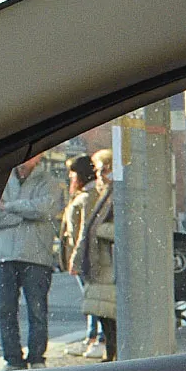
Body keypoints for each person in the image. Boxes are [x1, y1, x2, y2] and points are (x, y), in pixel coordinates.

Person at [0, 153, 66, 369]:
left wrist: (10, 206)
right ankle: (12, 359)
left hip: (37, 256)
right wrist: (27, 211)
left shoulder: (48, 182)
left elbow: (46, 210)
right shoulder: (1, 180)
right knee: (4, 311)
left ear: (39, 157)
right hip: (4, 255)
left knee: (37, 310)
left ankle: (37, 358)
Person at [60, 153, 104, 358]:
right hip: (85, 254)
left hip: (88, 255)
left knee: (94, 299)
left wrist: (76, 258)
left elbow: (85, 231)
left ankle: (98, 339)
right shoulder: (86, 194)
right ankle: (91, 337)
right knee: (91, 298)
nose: (70, 178)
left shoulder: (88, 196)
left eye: (73, 174)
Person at [74, 152, 117, 361]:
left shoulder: (116, 194)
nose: (99, 175)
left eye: (102, 170)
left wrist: (101, 230)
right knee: (103, 313)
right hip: (100, 264)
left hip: (109, 264)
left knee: (109, 314)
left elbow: (125, 230)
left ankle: (112, 353)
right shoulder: (105, 194)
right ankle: (110, 353)